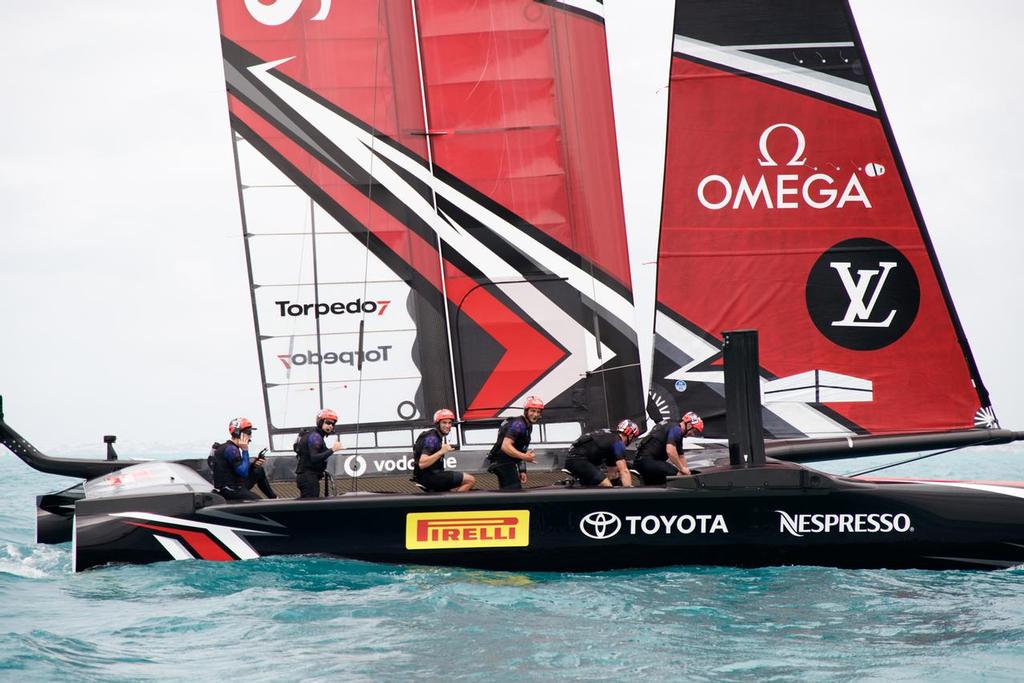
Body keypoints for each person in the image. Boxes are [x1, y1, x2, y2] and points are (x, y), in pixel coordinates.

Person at [209, 417, 277, 501]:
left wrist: (253, 465)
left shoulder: (233, 447)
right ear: (238, 433)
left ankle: (274, 498)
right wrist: (245, 450)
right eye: (248, 432)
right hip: (230, 490)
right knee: (259, 502)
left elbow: (237, 469)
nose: (250, 436)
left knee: (258, 470)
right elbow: (243, 472)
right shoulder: (231, 449)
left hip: (237, 484)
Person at [412, 408, 476, 492]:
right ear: (438, 424)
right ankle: (456, 503)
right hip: (430, 477)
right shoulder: (432, 439)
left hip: (427, 477)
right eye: (444, 423)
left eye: (449, 423)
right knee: (470, 480)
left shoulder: (433, 436)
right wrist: (441, 451)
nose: (448, 426)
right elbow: (422, 463)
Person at [633, 411, 704, 485]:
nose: (693, 434)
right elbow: (670, 451)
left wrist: (687, 472)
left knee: (658, 482)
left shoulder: (673, 426)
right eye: (694, 431)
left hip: (643, 461)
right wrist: (682, 469)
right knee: (680, 476)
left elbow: (681, 456)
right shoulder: (676, 430)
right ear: (689, 425)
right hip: (647, 461)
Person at [487, 396, 543, 490]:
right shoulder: (518, 424)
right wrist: (524, 457)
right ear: (526, 411)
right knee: (514, 492)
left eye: (538, 412)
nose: (535, 414)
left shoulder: (528, 425)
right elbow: (505, 446)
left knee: (511, 493)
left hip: (508, 462)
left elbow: (520, 448)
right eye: (532, 411)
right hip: (501, 462)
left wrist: (522, 470)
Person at [564, 419, 640, 488]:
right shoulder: (618, 443)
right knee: (607, 487)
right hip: (579, 460)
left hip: (575, 459)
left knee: (594, 486)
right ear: (630, 436)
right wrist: (629, 493)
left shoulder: (610, 437)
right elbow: (624, 471)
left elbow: (612, 474)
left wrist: (617, 484)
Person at [294, 408, 344, 498]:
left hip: (307, 477)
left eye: (333, 424)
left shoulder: (314, 435)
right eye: (328, 423)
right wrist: (332, 449)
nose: (331, 426)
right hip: (308, 478)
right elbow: (314, 458)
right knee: (310, 509)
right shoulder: (315, 436)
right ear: (320, 422)